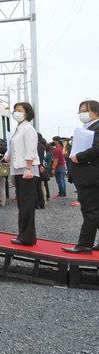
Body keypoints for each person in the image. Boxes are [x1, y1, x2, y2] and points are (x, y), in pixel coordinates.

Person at [62, 100, 99, 253]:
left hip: (90, 176)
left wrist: (79, 157)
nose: (81, 114)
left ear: (96, 111)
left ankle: (85, 244)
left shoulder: (96, 127)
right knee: (95, 210)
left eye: (85, 110)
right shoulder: (87, 127)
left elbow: (97, 148)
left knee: (89, 210)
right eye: (80, 111)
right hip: (87, 175)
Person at [4, 102, 39, 246]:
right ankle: (24, 234)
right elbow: (14, 148)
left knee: (26, 205)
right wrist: (8, 155)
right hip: (19, 170)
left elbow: (31, 150)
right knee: (22, 204)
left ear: (27, 113)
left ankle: (27, 237)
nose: (15, 113)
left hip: (26, 171)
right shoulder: (18, 129)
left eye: (19, 110)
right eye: (14, 110)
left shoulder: (28, 129)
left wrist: (29, 168)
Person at [35, 133, 46, 209]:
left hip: (35, 167)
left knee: (34, 188)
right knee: (39, 187)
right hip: (41, 167)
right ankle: (42, 203)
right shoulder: (42, 147)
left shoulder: (33, 146)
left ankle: (37, 204)